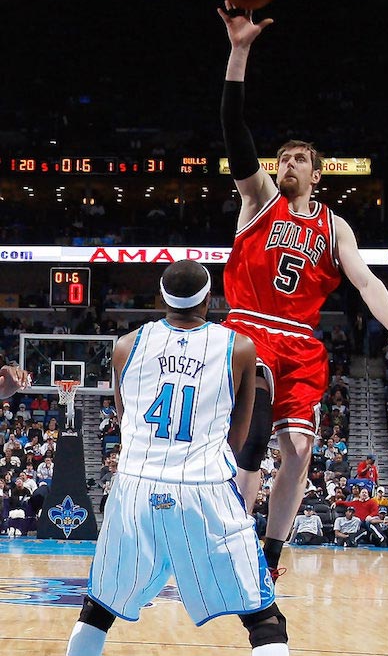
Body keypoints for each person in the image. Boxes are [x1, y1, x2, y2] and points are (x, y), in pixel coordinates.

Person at [217, 1, 388, 578]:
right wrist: (240, 52)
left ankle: (271, 551)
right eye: (282, 157)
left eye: (299, 159)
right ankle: (231, 537)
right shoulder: (259, 199)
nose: (287, 163)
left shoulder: (335, 227)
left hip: (301, 343)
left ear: (317, 173)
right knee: (253, 433)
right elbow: (235, 131)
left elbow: (364, 280)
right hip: (248, 330)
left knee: (301, 450)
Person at [66, 260, 289, 656]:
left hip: (135, 486)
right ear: (208, 297)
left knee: (98, 608)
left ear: (162, 296)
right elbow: (237, 438)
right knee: (263, 618)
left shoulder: (125, 345)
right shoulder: (238, 347)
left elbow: (125, 418)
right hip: (203, 486)